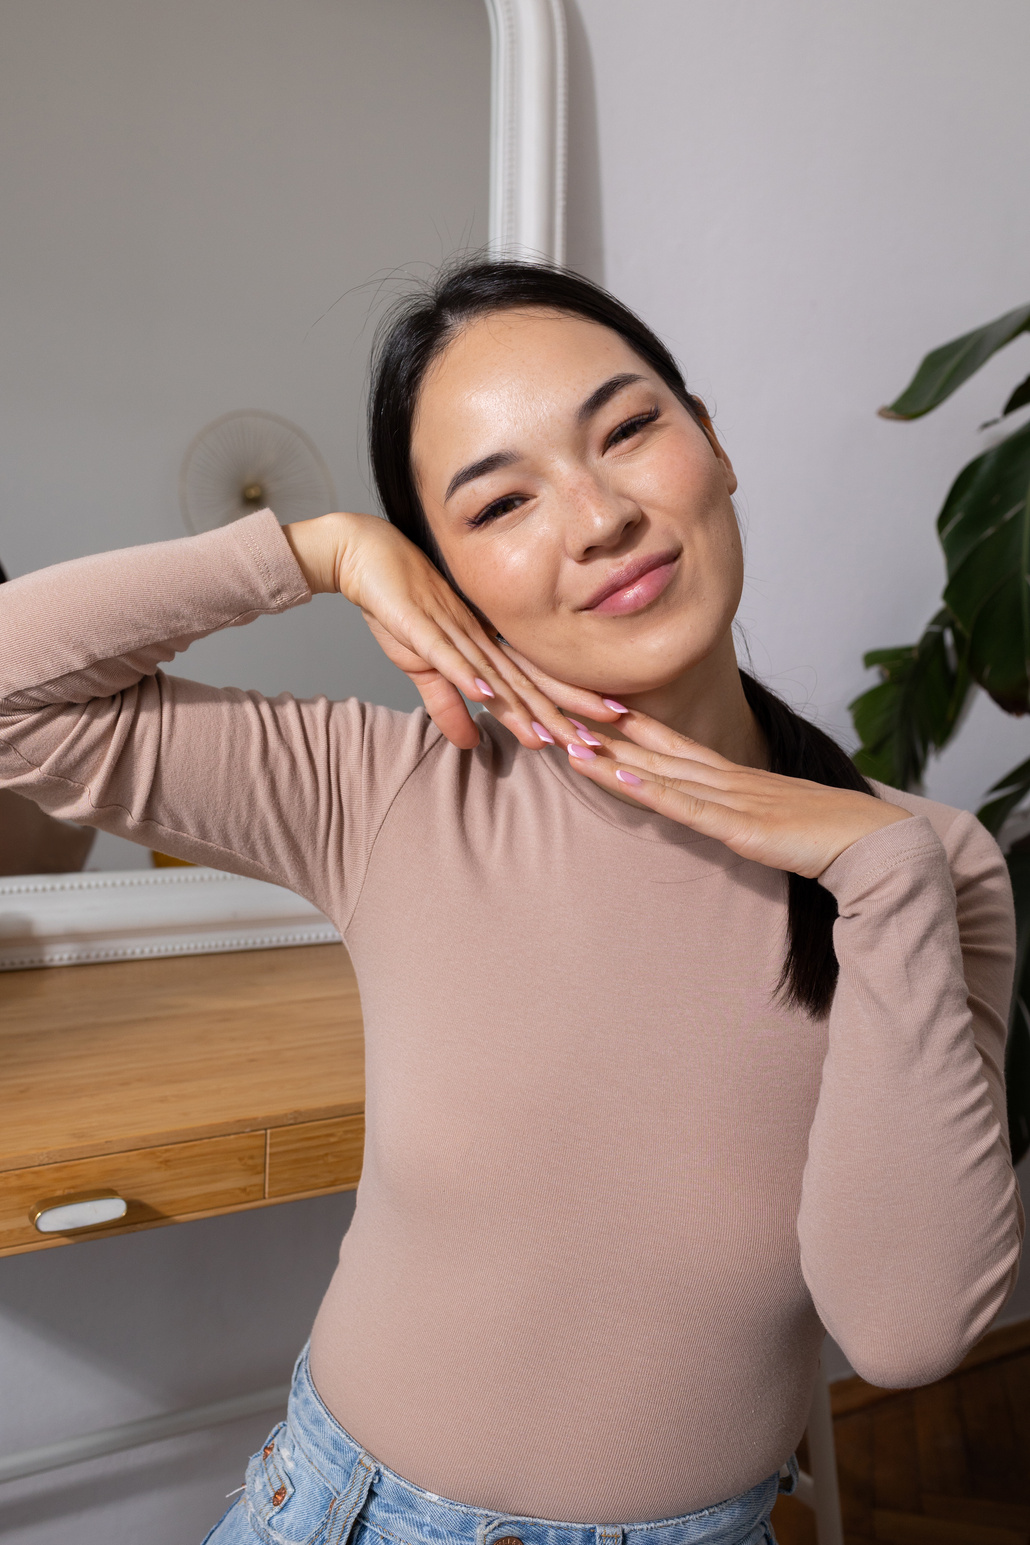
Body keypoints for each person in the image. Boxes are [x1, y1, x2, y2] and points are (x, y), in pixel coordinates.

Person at [0, 262, 1023, 1545]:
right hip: (346, 1515)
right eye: (500, 502)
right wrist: (317, 551)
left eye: (628, 430)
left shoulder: (921, 864)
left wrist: (884, 882)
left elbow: (908, 1332)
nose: (597, 519)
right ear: (444, 578)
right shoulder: (388, 788)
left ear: (712, 444)